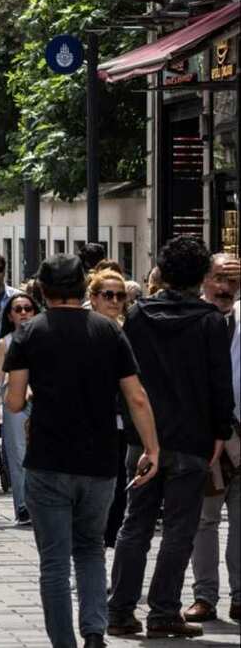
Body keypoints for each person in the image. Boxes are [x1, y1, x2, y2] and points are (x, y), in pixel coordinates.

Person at [3, 252, 160, 648]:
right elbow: (136, 397)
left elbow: (15, 402)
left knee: (54, 561)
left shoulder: (29, 333)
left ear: (42, 290)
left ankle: (64, 643)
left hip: (49, 461)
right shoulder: (109, 332)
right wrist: (152, 448)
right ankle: (94, 631)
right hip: (100, 460)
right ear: (80, 288)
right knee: (90, 548)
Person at [109, 236, 234, 639]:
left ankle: (121, 610)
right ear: (200, 276)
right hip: (192, 438)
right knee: (180, 528)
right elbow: (219, 385)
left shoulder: (140, 314)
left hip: (145, 439)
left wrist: (133, 430)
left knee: (135, 525)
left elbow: (127, 378)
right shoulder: (210, 321)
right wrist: (219, 432)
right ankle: (163, 611)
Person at [186, 253, 240, 624]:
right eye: (219, 278)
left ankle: (240, 595)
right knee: (204, 519)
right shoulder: (189, 320)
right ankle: (204, 595)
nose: (225, 288)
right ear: (205, 279)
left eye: (233, 281)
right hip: (204, 437)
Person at [87, 269, 132, 547]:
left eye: (120, 296)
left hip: (123, 421)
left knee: (119, 489)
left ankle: (107, 546)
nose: (115, 301)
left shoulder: (131, 329)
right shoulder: (83, 330)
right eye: (108, 295)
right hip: (89, 421)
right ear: (94, 298)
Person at [0, 292, 40, 526]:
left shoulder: (45, 339)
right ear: (10, 316)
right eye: (18, 309)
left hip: (43, 404)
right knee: (18, 455)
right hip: (15, 404)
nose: (23, 313)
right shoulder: (4, 344)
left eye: (28, 309)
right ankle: (23, 505)